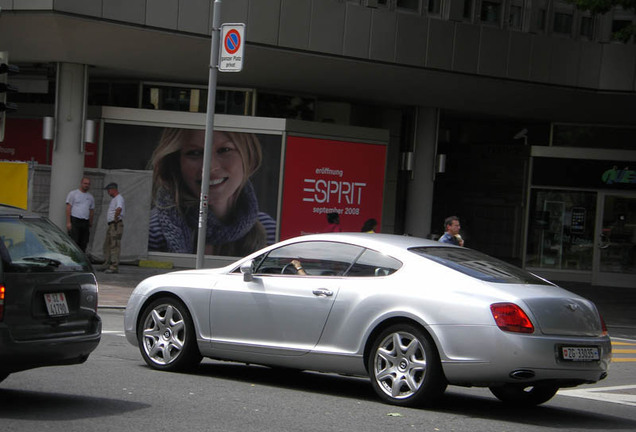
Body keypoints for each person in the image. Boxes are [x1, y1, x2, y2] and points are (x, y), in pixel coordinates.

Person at [148, 128, 276, 256]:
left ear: (249, 156)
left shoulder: (270, 231)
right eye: (194, 153)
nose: (210, 167)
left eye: (224, 150)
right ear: (176, 163)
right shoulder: (151, 233)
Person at [65, 177, 95, 252]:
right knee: (74, 241)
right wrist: (68, 222)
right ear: (81, 183)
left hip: (85, 221)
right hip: (75, 220)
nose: (86, 185)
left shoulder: (90, 197)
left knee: (84, 241)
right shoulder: (73, 194)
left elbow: (91, 210)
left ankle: (82, 257)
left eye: (88, 184)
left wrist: (90, 222)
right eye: (85, 183)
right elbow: (68, 208)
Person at [103, 182, 125, 273]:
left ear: (113, 190)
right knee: (107, 244)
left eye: (109, 190)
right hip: (111, 224)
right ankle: (107, 263)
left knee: (114, 245)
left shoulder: (119, 198)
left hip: (115, 224)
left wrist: (115, 219)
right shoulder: (115, 199)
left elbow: (119, 209)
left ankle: (114, 266)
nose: (108, 192)